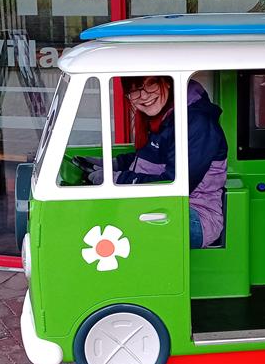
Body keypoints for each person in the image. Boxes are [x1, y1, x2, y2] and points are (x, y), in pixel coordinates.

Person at [73, 76, 227, 248]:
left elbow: (174, 185)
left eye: (151, 84)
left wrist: (115, 179)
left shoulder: (196, 123)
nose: (144, 96)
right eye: (134, 90)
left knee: (104, 225)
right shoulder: (166, 115)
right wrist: (111, 164)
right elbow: (150, 159)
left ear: (167, 82)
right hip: (160, 207)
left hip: (195, 216)